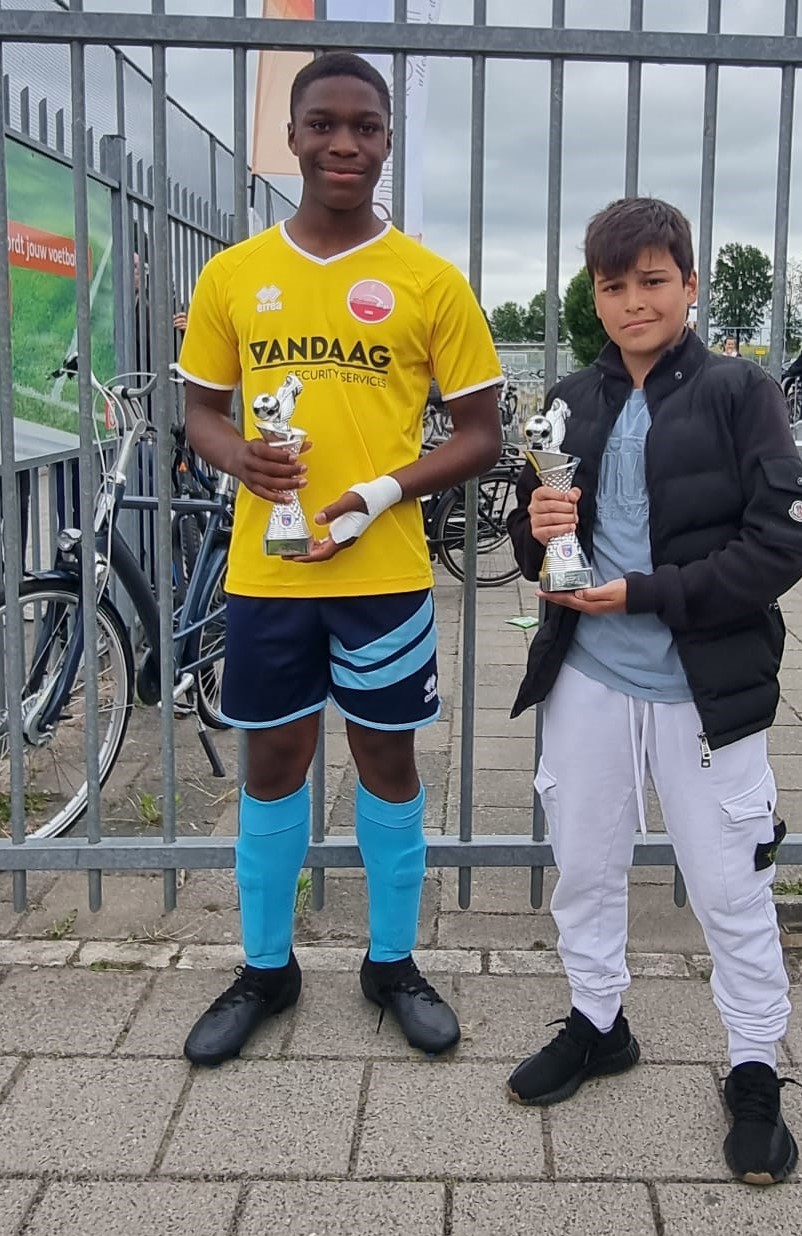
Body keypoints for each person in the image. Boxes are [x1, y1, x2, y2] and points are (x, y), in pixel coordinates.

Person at [176, 51, 503, 1065]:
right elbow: (200, 413)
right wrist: (241, 458)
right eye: (324, 124)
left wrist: (381, 492)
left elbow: (482, 435)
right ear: (293, 137)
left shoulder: (429, 280)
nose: (344, 143)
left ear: (388, 140)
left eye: (365, 126)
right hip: (269, 574)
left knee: (387, 760)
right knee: (272, 762)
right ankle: (265, 968)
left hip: (384, 575)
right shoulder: (234, 274)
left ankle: (391, 962)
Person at [505, 197, 802, 1186]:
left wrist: (644, 593)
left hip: (702, 688)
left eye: (652, 281)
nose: (633, 302)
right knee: (586, 867)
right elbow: (535, 541)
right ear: (594, 295)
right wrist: (535, 530)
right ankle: (598, 1024)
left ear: (688, 285)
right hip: (588, 679)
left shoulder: (740, 391)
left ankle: (755, 1067)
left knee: (729, 886)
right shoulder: (568, 398)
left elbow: (782, 545)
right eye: (613, 285)